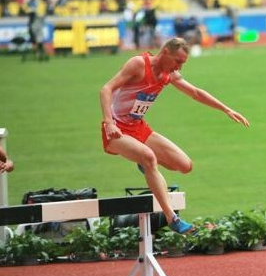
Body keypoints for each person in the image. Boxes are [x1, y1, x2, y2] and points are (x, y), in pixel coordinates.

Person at [99, 37, 250, 233]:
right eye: (178, 61)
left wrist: (226, 109)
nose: (179, 67)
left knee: (185, 165)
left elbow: (195, 92)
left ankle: (144, 163)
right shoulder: (138, 64)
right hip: (116, 129)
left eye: (183, 63)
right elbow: (106, 90)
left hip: (138, 128)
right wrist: (109, 123)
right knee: (149, 157)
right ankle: (173, 218)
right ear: (165, 53)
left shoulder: (167, 75)